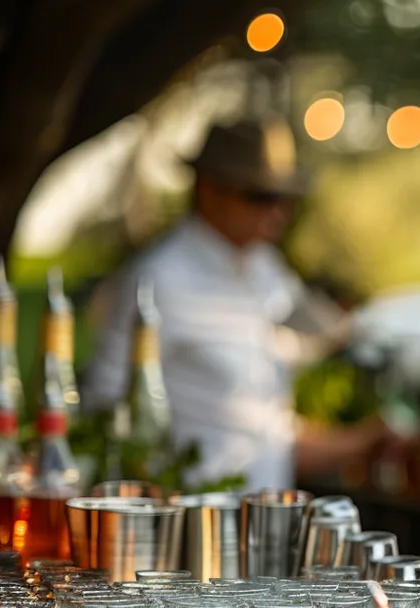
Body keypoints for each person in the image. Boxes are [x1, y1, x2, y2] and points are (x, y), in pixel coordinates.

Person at [84, 118, 391, 490]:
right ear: (210, 190)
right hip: (194, 520)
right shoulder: (156, 280)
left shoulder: (266, 267)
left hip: (267, 509)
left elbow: (276, 381)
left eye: (285, 197)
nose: (278, 211)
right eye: (261, 197)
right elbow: (106, 409)